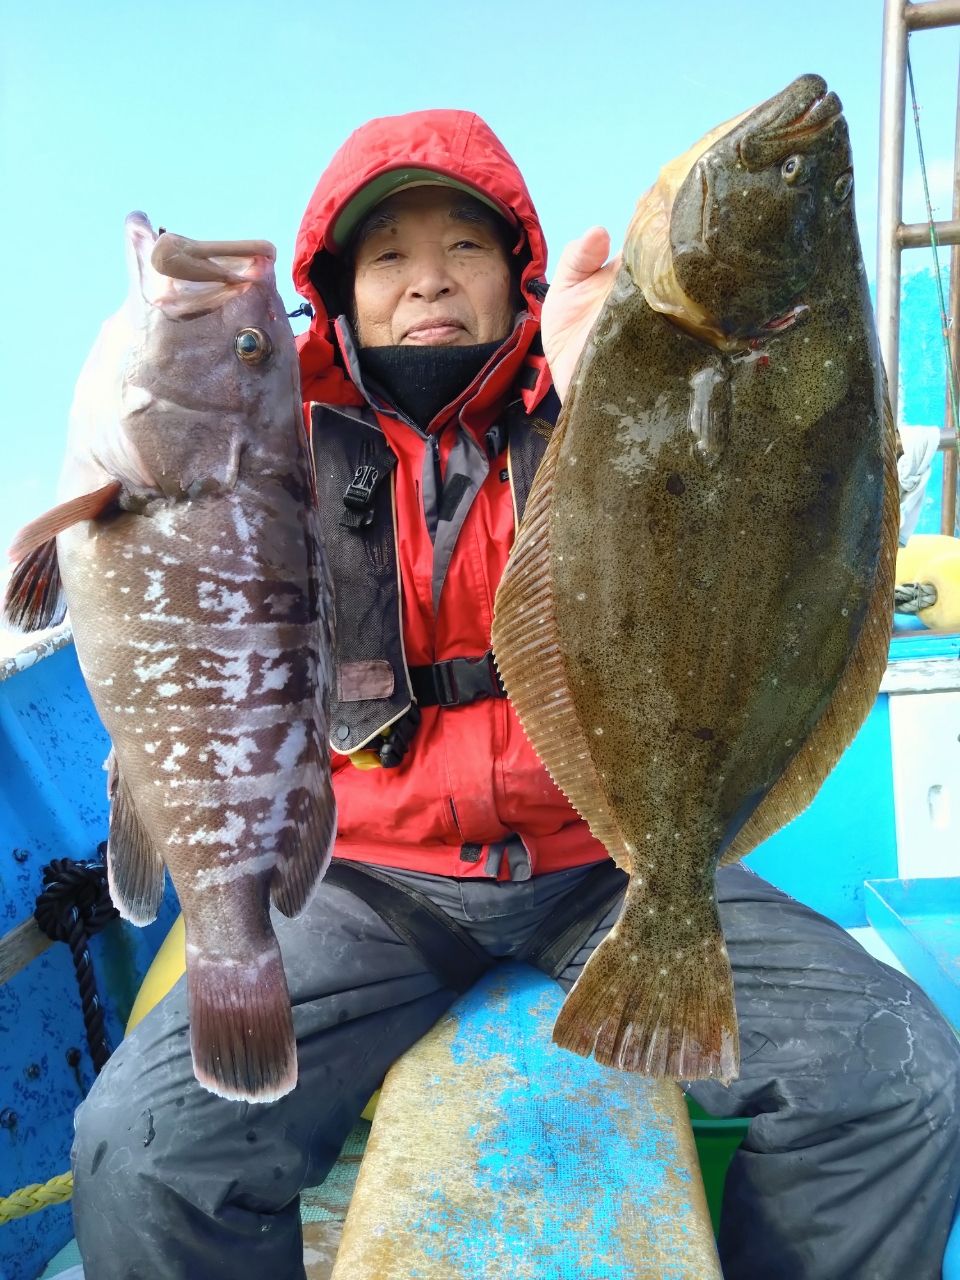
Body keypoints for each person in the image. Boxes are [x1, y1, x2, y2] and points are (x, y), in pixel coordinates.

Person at [71, 108, 960, 1280]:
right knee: (141, 1149)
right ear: (336, 292)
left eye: (465, 247)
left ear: (519, 274)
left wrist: (617, 389)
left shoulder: (613, 391)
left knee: (901, 1076)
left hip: (611, 853)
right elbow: (159, 583)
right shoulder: (259, 439)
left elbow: (759, 540)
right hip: (372, 876)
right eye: (388, 255)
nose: (428, 279)